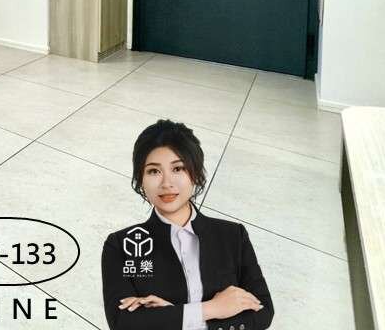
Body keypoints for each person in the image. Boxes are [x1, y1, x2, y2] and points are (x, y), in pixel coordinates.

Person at [100, 119, 274, 330]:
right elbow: (123, 323)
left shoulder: (233, 235)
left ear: (195, 174)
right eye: (154, 171)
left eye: (178, 168)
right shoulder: (120, 245)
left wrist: (170, 316)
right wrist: (212, 308)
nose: (166, 183)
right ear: (141, 179)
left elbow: (263, 312)